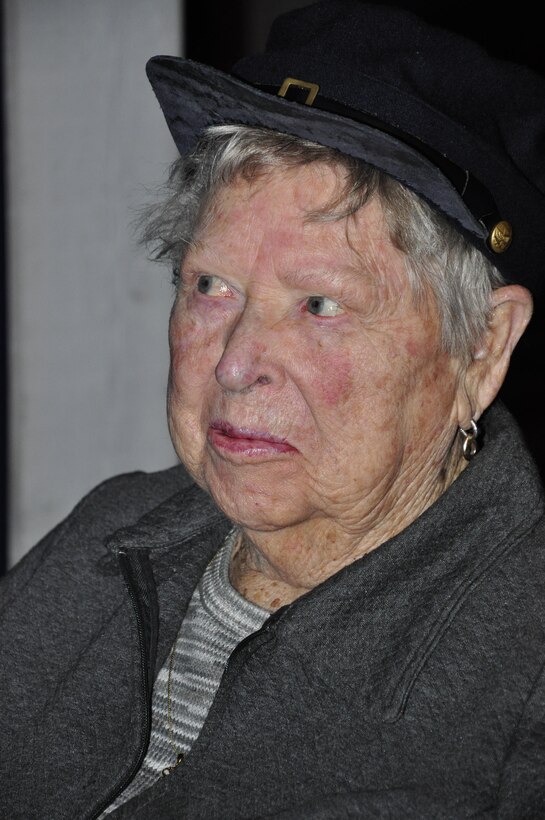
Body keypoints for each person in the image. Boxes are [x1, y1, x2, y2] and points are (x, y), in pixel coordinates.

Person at [2, 1, 545, 817]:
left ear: (481, 347)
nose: (234, 360)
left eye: (320, 304)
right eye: (210, 286)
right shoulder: (109, 533)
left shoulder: (520, 692)